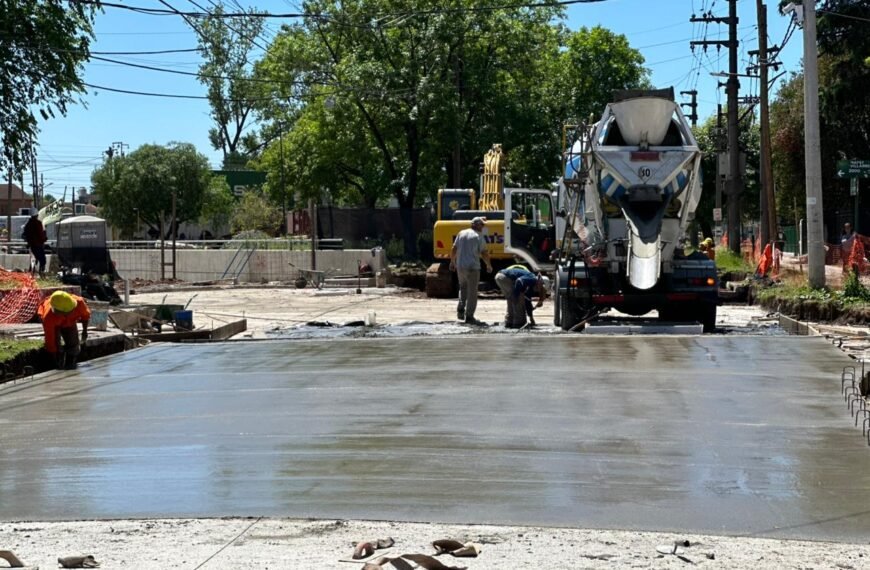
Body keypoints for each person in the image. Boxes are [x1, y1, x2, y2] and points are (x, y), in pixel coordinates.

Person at [450, 216, 492, 325]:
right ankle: (469, 316)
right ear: (476, 225)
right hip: (473, 267)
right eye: (481, 225)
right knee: (472, 292)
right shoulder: (478, 236)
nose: (483, 227)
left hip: (460, 266)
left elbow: (454, 248)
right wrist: (488, 265)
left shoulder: (461, 233)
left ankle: (461, 308)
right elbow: (484, 253)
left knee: (463, 287)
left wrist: (452, 262)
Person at [37, 291, 90, 370]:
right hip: (55, 323)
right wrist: (54, 357)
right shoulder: (48, 317)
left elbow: (85, 316)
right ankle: (57, 361)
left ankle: (71, 362)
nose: (69, 313)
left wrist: (84, 331)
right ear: (59, 312)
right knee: (56, 345)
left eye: (71, 311)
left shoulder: (79, 303)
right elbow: (50, 339)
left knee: (73, 343)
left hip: (70, 322)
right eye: (67, 313)